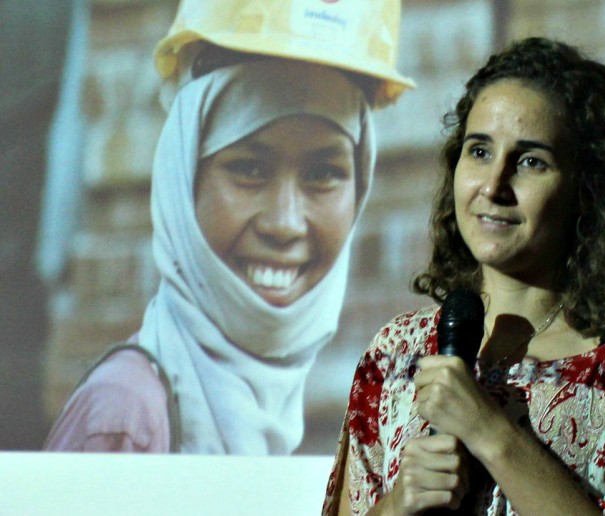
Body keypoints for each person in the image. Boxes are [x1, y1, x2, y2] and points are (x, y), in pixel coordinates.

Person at [323, 37, 605, 514]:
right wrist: (398, 503)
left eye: (531, 161)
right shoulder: (395, 352)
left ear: (588, 189)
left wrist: (489, 431)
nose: (493, 186)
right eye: (479, 151)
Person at [43, 0, 413, 454]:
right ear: (185, 179)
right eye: (249, 169)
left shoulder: (271, 405)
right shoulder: (124, 417)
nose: (285, 223)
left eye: (322, 174)